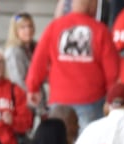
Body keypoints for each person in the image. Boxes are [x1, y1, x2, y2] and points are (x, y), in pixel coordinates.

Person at [24, 0, 118, 130]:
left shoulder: (54, 27)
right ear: (91, 4)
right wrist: (111, 98)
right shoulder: (100, 30)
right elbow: (112, 71)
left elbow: (38, 61)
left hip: (59, 99)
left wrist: (32, 87)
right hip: (91, 100)